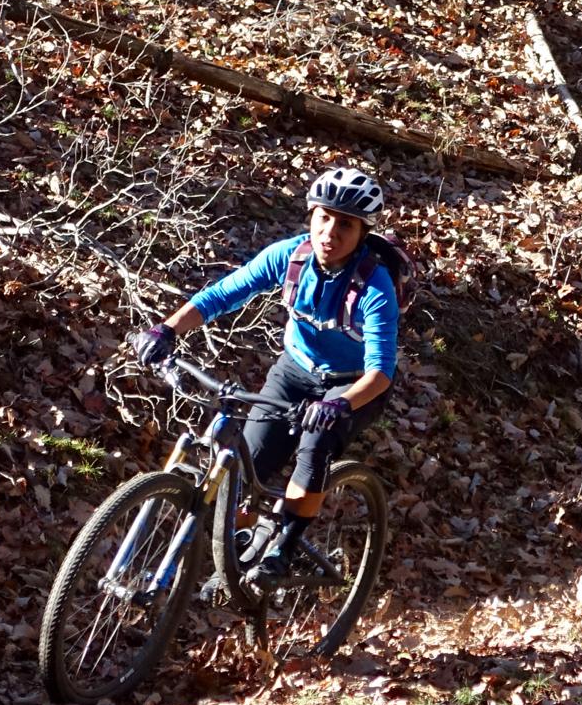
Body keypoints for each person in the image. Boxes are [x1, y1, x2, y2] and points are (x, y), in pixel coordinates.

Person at [128, 167, 400, 584]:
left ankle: (284, 548)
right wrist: (166, 330)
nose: (330, 231)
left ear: (363, 232)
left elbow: (381, 372)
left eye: (345, 224)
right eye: (323, 217)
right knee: (249, 463)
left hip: (352, 384)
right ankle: (239, 548)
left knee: (314, 449)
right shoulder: (291, 257)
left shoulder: (375, 287)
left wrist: (338, 403)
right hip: (294, 371)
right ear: (310, 216)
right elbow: (222, 294)